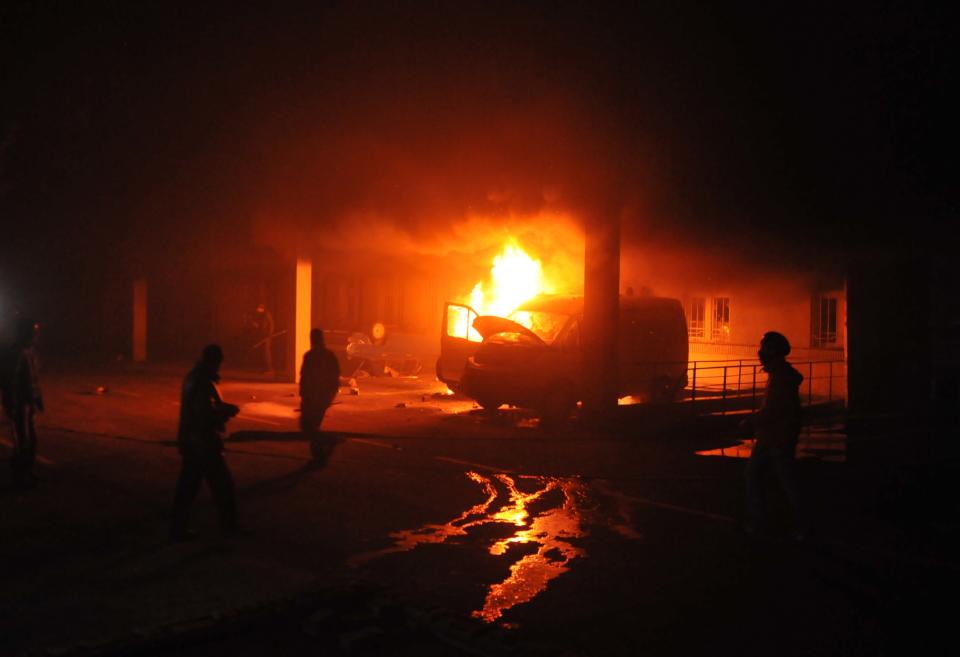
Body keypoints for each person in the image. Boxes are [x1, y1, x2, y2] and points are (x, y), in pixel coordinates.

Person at [170, 344, 243, 541]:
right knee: (223, 486)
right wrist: (224, 413)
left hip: (192, 441)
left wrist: (222, 409)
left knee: (188, 487)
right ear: (214, 362)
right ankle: (229, 529)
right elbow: (204, 413)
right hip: (204, 442)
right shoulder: (203, 381)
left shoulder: (193, 378)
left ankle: (178, 527)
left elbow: (199, 408)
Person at [740, 331, 806, 540]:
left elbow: (772, 410)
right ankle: (790, 524)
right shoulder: (781, 375)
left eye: (764, 348)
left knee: (769, 479)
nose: (760, 352)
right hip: (777, 436)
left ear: (773, 351)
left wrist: (750, 421)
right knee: (784, 481)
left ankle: (765, 524)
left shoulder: (779, 378)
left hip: (774, 438)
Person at [1, 318, 44, 488]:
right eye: (33, 332)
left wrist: (38, 398)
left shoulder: (30, 352)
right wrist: (10, 404)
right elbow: (9, 380)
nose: (36, 335)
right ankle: (19, 475)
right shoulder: (16, 353)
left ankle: (27, 471)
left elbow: (34, 379)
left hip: (28, 403)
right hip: (18, 404)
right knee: (22, 440)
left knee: (31, 440)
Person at [299, 328, 341, 434]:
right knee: (316, 414)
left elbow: (304, 375)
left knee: (312, 418)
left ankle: (314, 430)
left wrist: (303, 393)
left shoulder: (309, 356)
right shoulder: (329, 355)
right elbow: (336, 373)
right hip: (325, 393)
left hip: (315, 393)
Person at [250, 303, 275, 374]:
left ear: (262, 308)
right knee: (262, 353)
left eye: (258, 309)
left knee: (266, 352)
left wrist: (269, 334)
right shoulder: (261, 316)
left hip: (266, 337)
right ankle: (264, 368)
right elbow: (261, 326)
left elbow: (271, 324)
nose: (257, 310)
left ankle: (269, 369)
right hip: (262, 336)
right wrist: (256, 325)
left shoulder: (267, 314)